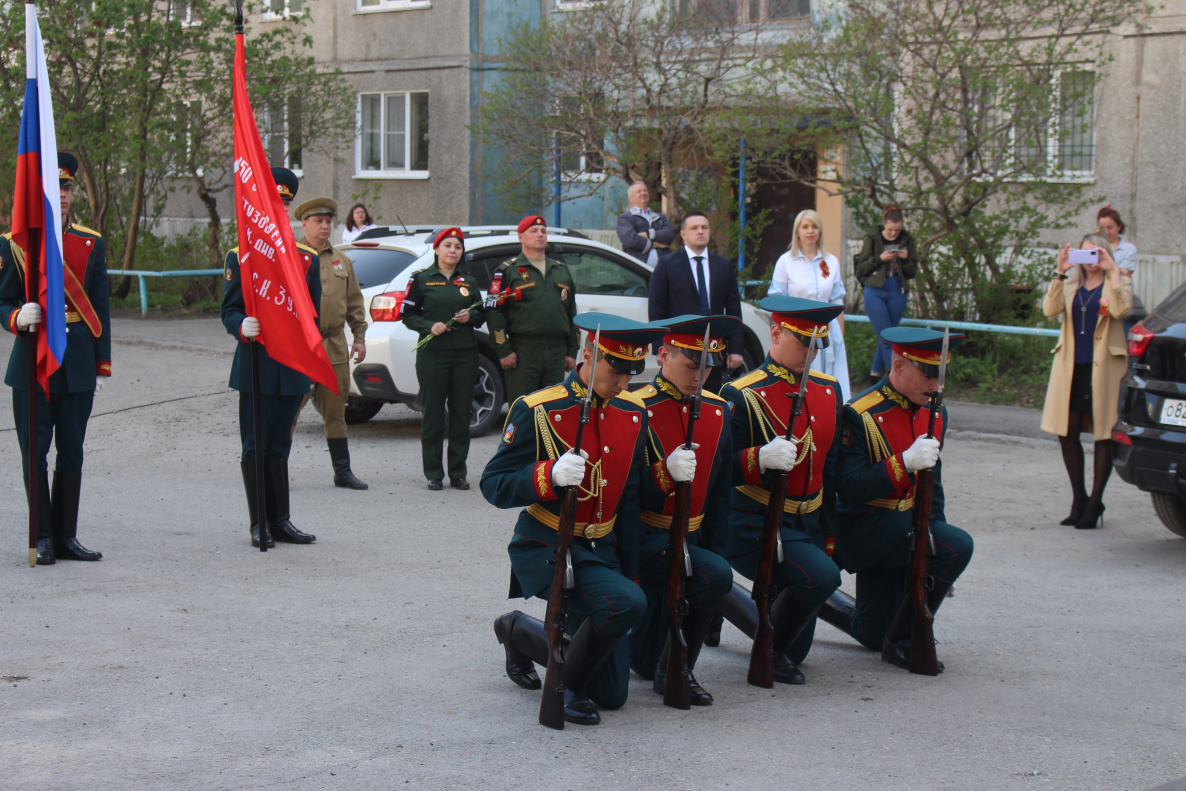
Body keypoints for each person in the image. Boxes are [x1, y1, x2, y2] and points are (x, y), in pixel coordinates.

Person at [484, 313, 664, 726]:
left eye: (631, 373)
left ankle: (518, 633)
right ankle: (567, 683)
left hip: (602, 550)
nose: (623, 383)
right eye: (615, 371)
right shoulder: (538, 408)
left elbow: (631, 502)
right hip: (548, 544)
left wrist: (631, 571)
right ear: (587, 354)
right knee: (626, 605)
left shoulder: (633, 413)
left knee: (613, 695)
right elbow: (493, 484)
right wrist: (546, 475)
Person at [709, 296, 844, 685]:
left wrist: (830, 537)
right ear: (775, 333)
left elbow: (829, 473)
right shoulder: (742, 394)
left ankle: (721, 600)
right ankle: (757, 634)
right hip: (754, 520)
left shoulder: (829, 391)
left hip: (808, 521)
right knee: (819, 580)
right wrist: (758, 458)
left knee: (799, 643)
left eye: (816, 343)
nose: (810, 352)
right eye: (802, 341)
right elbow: (719, 474)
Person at [834, 327, 974, 671]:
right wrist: (902, 464)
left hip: (909, 527)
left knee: (871, 634)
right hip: (870, 528)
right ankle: (901, 640)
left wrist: (934, 546)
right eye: (927, 374)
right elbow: (849, 489)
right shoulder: (860, 413)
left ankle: (890, 632)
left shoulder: (935, 411)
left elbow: (933, 486)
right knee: (960, 545)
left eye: (939, 375)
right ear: (897, 367)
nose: (935, 385)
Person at [0, 152, 110, 564]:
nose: (62, 196)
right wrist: (15, 316)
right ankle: (42, 536)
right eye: (55, 189)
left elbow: (99, 308)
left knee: (72, 449)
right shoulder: (16, 243)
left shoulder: (90, 242)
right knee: (36, 450)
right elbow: (2, 300)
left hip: (78, 361)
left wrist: (102, 364)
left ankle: (66, 535)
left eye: (66, 189)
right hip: (32, 361)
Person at [627, 314, 739, 706]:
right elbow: (620, 492)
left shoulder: (718, 410)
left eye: (707, 367)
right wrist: (661, 474)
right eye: (691, 366)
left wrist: (716, 550)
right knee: (631, 658)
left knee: (716, 574)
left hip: (688, 536)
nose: (700, 376)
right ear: (663, 355)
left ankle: (678, 667)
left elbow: (720, 496)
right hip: (640, 535)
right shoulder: (634, 406)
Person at [222, 167, 320, 548]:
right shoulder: (241, 254)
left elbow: (313, 316)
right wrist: (239, 325)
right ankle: (258, 522)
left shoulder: (307, 259)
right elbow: (228, 310)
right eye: (272, 203)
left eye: (285, 203)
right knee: (254, 445)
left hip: (291, 366)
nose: (278, 209)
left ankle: (281, 519)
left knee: (280, 444)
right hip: (256, 363)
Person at [1040, 234, 1133, 529]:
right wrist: (1060, 270)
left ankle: (1095, 502)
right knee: (1067, 433)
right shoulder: (1069, 284)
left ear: (1105, 254)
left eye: (1097, 253)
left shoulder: (1117, 282)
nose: (1091, 260)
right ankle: (1078, 498)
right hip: (1072, 368)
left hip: (1104, 368)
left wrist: (1113, 270)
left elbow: (1121, 310)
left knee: (1103, 434)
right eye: (1086, 254)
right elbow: (1049, 310)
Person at [293, 196, 369, 490]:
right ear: (304, 224)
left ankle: (343, 471)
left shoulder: (341, 260)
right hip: (300, 345)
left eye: (328, 222)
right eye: (318, 221)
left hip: (334, 343)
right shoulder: (291, 256)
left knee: (336, 410)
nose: (325, 226)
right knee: (290, 410)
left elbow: (353, 303)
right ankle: (275, 470)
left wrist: (359, 337)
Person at [402, 227, 485, 491]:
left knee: (462, 414)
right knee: (434, 413)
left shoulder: (469, 282)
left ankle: (458, 472)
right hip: (433, 356)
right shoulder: (422, 279)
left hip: (464, 355)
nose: (452, 251)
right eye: (447, 246)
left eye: (457, 247)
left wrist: (469, 317)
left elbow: (482, 315)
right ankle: (434, 473)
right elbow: (408, 316)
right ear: (437, 249)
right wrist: (429, 326)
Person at [648, 211, 744, 394]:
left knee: (710, 400)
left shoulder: (723, 266)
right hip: (680, 350)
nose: (700, 231)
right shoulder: (667, 265)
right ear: (683, 234)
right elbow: (656, 309)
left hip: (714, 350)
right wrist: (659, 347)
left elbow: (733, 309)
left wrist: (736, 349)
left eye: (704, 227)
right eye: (694, 228)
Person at [486, 215, 579, 404]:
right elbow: (494, 314)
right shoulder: (508, 271)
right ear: (521, 237)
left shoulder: (560, 270)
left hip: (556, 353)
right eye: (534, 231)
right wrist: (503, 350)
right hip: (523, 352)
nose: (540, 235)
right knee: (524, 410)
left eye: (543, 231)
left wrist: (571, 351)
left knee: (553, 411)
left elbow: (570, 314)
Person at [769, 209, 850, 401]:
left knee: (830, 381)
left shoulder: (831, 261)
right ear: (797, 231)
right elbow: (776, 301)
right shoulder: (786, 262)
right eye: (805, 227)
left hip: (828, 331)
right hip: (797, 331)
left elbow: (837, 301)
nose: (810, 231)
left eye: (814, 226)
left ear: (820, 231)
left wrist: (839, 336)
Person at [856, 204, 919, 385]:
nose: (893, 234)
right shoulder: (872, 238)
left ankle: (874, 376)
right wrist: (880, 259)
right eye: (890, 230)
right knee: (886, 336)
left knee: (890, 334)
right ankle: (897, 380)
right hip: (875, 290)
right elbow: (862, 267)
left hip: (897, 289)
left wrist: (905, 259)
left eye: (897, 230)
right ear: (884, 223)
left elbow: (912, 272)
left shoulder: (907, 239)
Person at [616, 181, 675, 266]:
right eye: (639, 191)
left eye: (645, 191)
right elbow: (630, 240)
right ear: (631, 198)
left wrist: (648, 234)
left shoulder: (660, 217)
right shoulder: (625, 218)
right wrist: (654, 244)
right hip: (637, 273)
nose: (643, 193)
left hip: (663, 271)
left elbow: (669, 234)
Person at [1096, 205, 1137, 273]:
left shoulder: (1129, 249)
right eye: (1103, 228)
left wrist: (1110, 266)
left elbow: (1127, 273)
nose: (1106, 232)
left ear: (1119, 227)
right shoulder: (1093, 246)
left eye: (1110, 227)